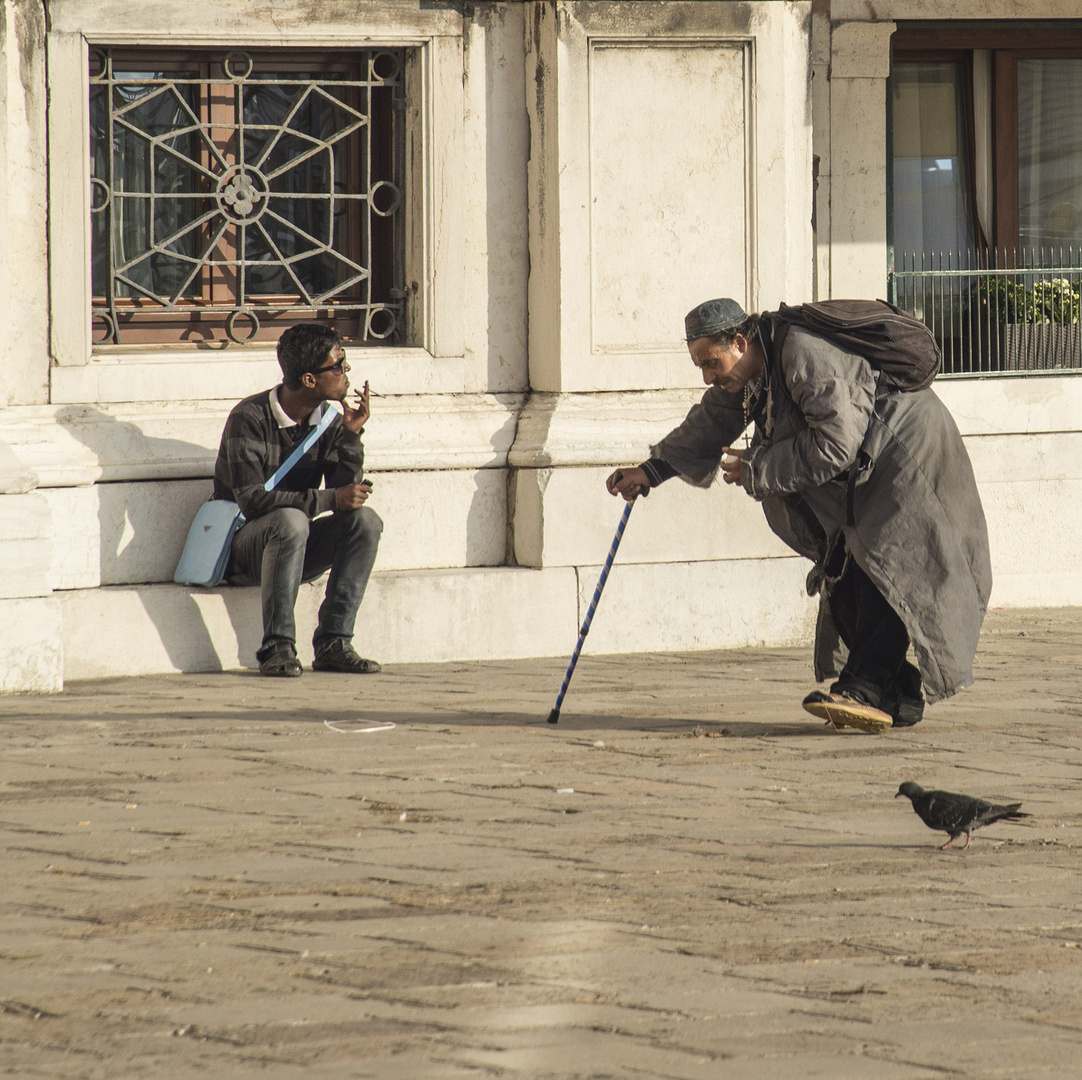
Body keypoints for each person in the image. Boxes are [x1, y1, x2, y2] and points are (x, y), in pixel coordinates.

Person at [607, 298, 992, 733]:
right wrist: (651, 471)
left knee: (890, 568)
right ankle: (897, 694)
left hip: (907, 454)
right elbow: (712, 421)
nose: (709, 376)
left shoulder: (802, 353)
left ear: (738, 340)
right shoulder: (755, 369)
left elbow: (835, 444)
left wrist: (758, 467)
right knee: (845, 573)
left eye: (711, 363)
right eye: (701, 367)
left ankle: (861, 689)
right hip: (866, 468)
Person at [214, 323, 383, 677]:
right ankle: (277, 647)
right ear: (309, 380)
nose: (346, 373)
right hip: (245, 549)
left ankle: (334, 643)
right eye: (337, 366)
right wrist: (328, 498)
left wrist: (351, 440)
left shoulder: (329, 423)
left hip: (295, 546)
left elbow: (344, 496)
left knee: (365, 522)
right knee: (290, 520)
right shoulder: (250, 418)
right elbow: (253, 501)